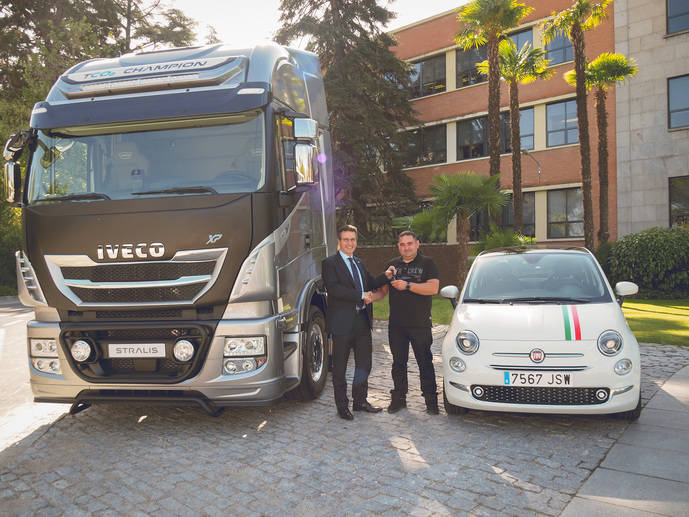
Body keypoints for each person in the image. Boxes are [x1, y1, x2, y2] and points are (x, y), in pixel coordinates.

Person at [322, 224, 386, 420]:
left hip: (362, 322)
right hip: (342, 325)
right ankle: (342, 406)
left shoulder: (359, 263)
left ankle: (360, 401)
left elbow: (372, 283)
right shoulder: (330, 263)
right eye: (346, 239)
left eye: (353, 239)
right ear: (339, 242)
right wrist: (361, 296)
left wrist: (387, 276)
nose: (350, 243)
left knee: (364, 365)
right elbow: (334, 290)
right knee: (339, 368)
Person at [378, 231, 440, 414]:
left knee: (425, 363)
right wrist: (368, 297)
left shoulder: (428, 263)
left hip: (420, 324)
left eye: (409, 243)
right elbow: (382, 291)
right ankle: (399, 399)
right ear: (398, 246)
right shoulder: (392, 265)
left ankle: (431, 402)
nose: (406, 247)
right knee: (398, 363)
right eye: (402, 244)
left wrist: (408, 285)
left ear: (417, 244)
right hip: (396, 325)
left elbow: (433, 288)